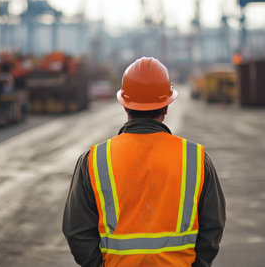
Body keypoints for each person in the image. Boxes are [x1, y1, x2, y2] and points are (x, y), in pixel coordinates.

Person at [63, 57, 226, 266]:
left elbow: (76, 230)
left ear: (125, 106)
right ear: (166, 107)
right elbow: (213, 225)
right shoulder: (195, 158)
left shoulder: (94, 160)